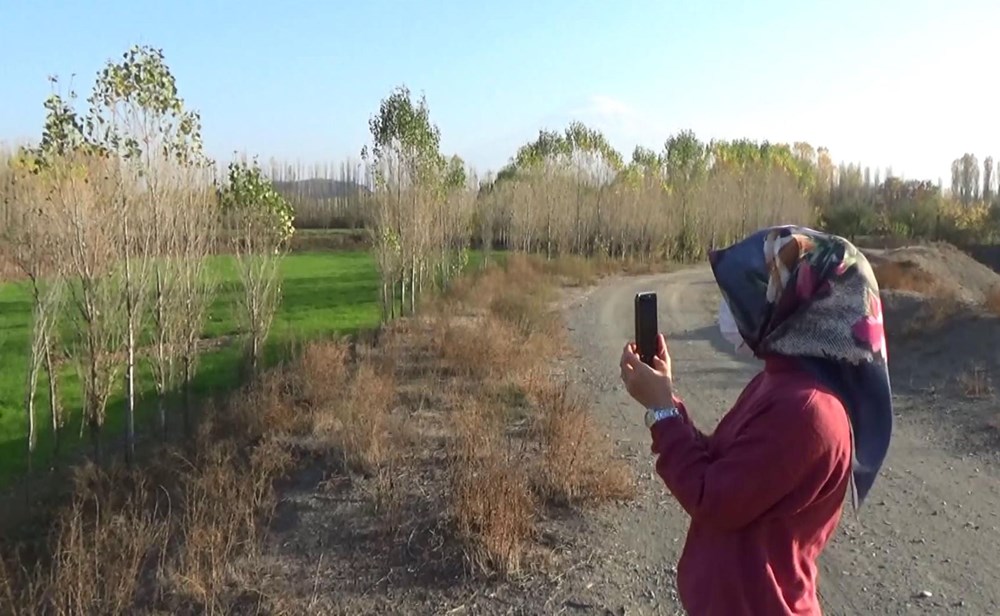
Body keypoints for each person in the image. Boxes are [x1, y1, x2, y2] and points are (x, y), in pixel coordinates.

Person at [619, 226, 893, 616]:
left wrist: (661, 411)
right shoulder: (781, 383)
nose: (733, 306)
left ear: (801, 304)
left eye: (760, 288)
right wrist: (666, 398)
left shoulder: (806, 410)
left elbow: (711, 497)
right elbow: (720, 465)